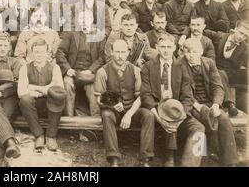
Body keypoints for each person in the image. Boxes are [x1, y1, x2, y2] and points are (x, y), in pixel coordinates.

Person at [140, 34, 205, 167]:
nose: (166, 50)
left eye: (169, 47)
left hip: (178, 110)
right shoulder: (148, 66)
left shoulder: (182, 66)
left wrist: (181, 116)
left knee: (199, 128)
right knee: (169, 117)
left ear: (174, 48)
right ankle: (169, 158)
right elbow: (145, 94)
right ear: (156, 47)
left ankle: (190, 164)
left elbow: (187, 96)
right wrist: (158, 117)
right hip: (157, 108)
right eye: (162, 47)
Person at [94, 39, 154, 167]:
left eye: (123, 52)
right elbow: (98, 99)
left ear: (128, 52)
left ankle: (145, 158)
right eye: (117, 52)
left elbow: (140, 97)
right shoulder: (102, 71)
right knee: (106, 115)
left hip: (132, 111)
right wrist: (111, 105)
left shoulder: (135, 70)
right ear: (112, 52)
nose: (120, 55)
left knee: (148, 114)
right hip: (114, 112)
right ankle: (113, 158)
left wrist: (129, 114)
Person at [180, 38, 238, 166]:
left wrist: (216, 105)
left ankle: (230, 160)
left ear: (201, 51)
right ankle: (209, 151)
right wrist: (197, 106)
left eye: (195, 51)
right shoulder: (180, 65)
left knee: (222, 117)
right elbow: (184, 92)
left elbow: (217, 86)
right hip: (191, 104)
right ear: (183, 52)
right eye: (187, 51)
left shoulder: (209, 63)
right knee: (203, 120)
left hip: (209, 102)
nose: (191, 55)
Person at [18, 39, 66, 151]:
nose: (39, 55)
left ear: (47, 53)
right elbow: (21, 92)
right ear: (32, 53)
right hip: (33, 107)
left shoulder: (55, 68)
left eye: (41, 52)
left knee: (58, 98)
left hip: (51, 106)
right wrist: (47, 89)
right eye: (36, 52)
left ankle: (51, 136)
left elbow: (60, 89)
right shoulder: (25, 68)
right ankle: (39, 135)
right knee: (24, 99)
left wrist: (34, 88)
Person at [56, 11, 105, 117]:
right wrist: (68, 69)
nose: (83, 22)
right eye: (81, 19)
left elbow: (102, 57)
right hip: (73, 71)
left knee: (93, 88)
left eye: (86, 19)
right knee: (67, 84)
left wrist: (91, 70)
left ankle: (95, 120)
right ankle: (69, 119)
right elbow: (60, 52)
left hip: (89, 73)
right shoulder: (71, 34)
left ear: (92, 20)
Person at [203, 20, 249, 114]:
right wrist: (183, 35)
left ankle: (229, 103)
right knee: (218, 73)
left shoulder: (245, 48)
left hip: (230, 73)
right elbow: (202, 31)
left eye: (245, 36)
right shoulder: (220, 36)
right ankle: (229, 104)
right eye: (241, 33)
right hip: (212, 69)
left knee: (221, 73)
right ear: (235, 29)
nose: (242, 37)